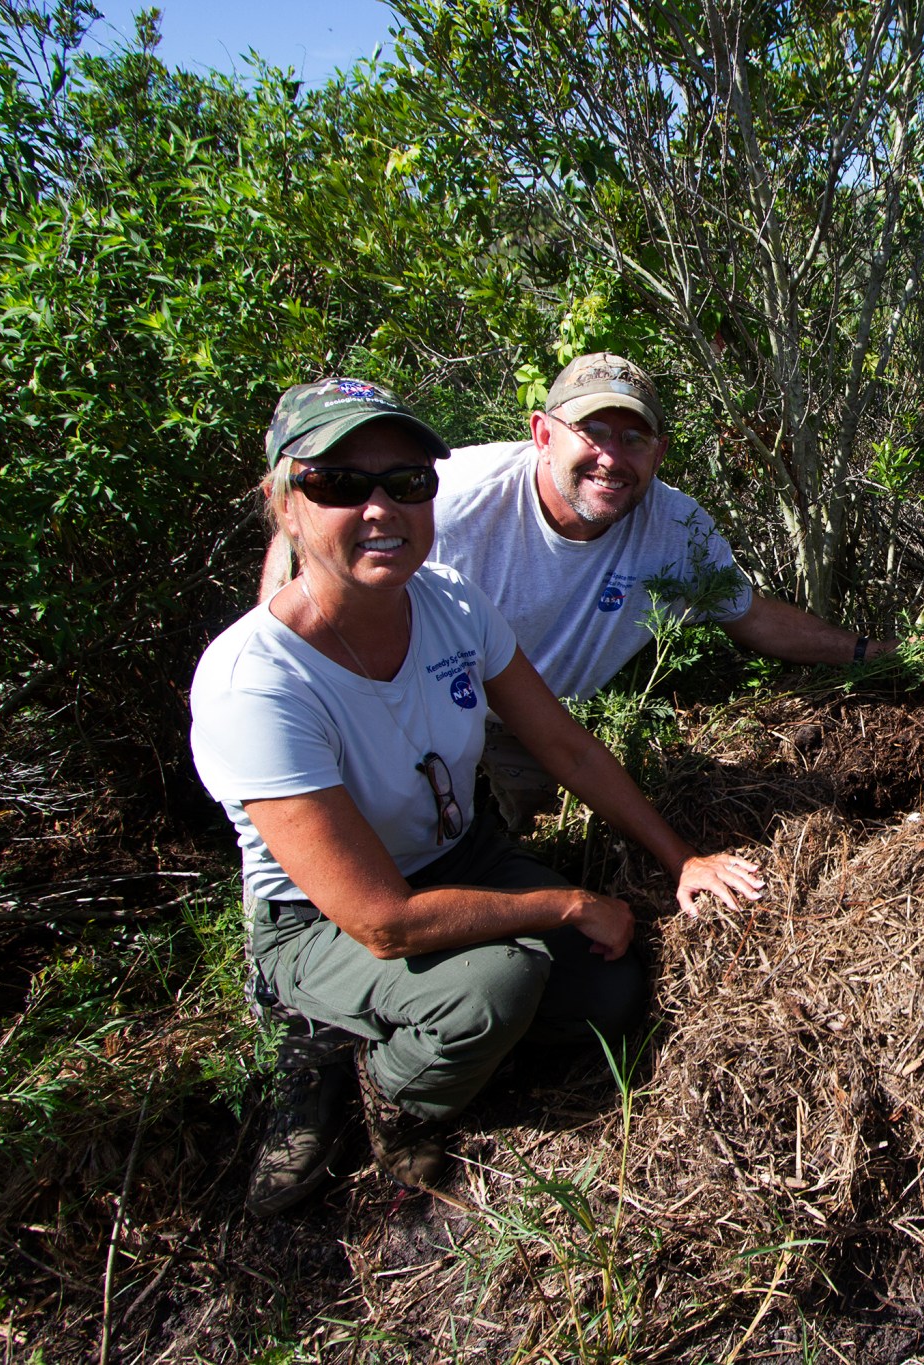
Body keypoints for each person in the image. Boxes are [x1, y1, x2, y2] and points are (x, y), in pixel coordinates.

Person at [193, 378, 765, 1217]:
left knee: (609, 991)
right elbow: (383, 918)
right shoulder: (258, 682)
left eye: (408, 482)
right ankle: (369, 1084)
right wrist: (566, 904)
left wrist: (679, 855)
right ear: (285, 503)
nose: (382, 508)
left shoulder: (452, 604)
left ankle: (422, 1033)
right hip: (319, 918)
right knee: (494, 985)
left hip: (460, 853)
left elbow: (561, 742)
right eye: (341, 484)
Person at [429, 353, 893, 828]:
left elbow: (751, 616)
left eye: (634, 439)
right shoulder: (446, 504)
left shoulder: (675, 528)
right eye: (593, 431)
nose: (611, 458)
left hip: (537, 729)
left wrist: (868, 652)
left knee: (526, 844)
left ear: (659, 452)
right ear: (544, 435)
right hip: (422, 707)